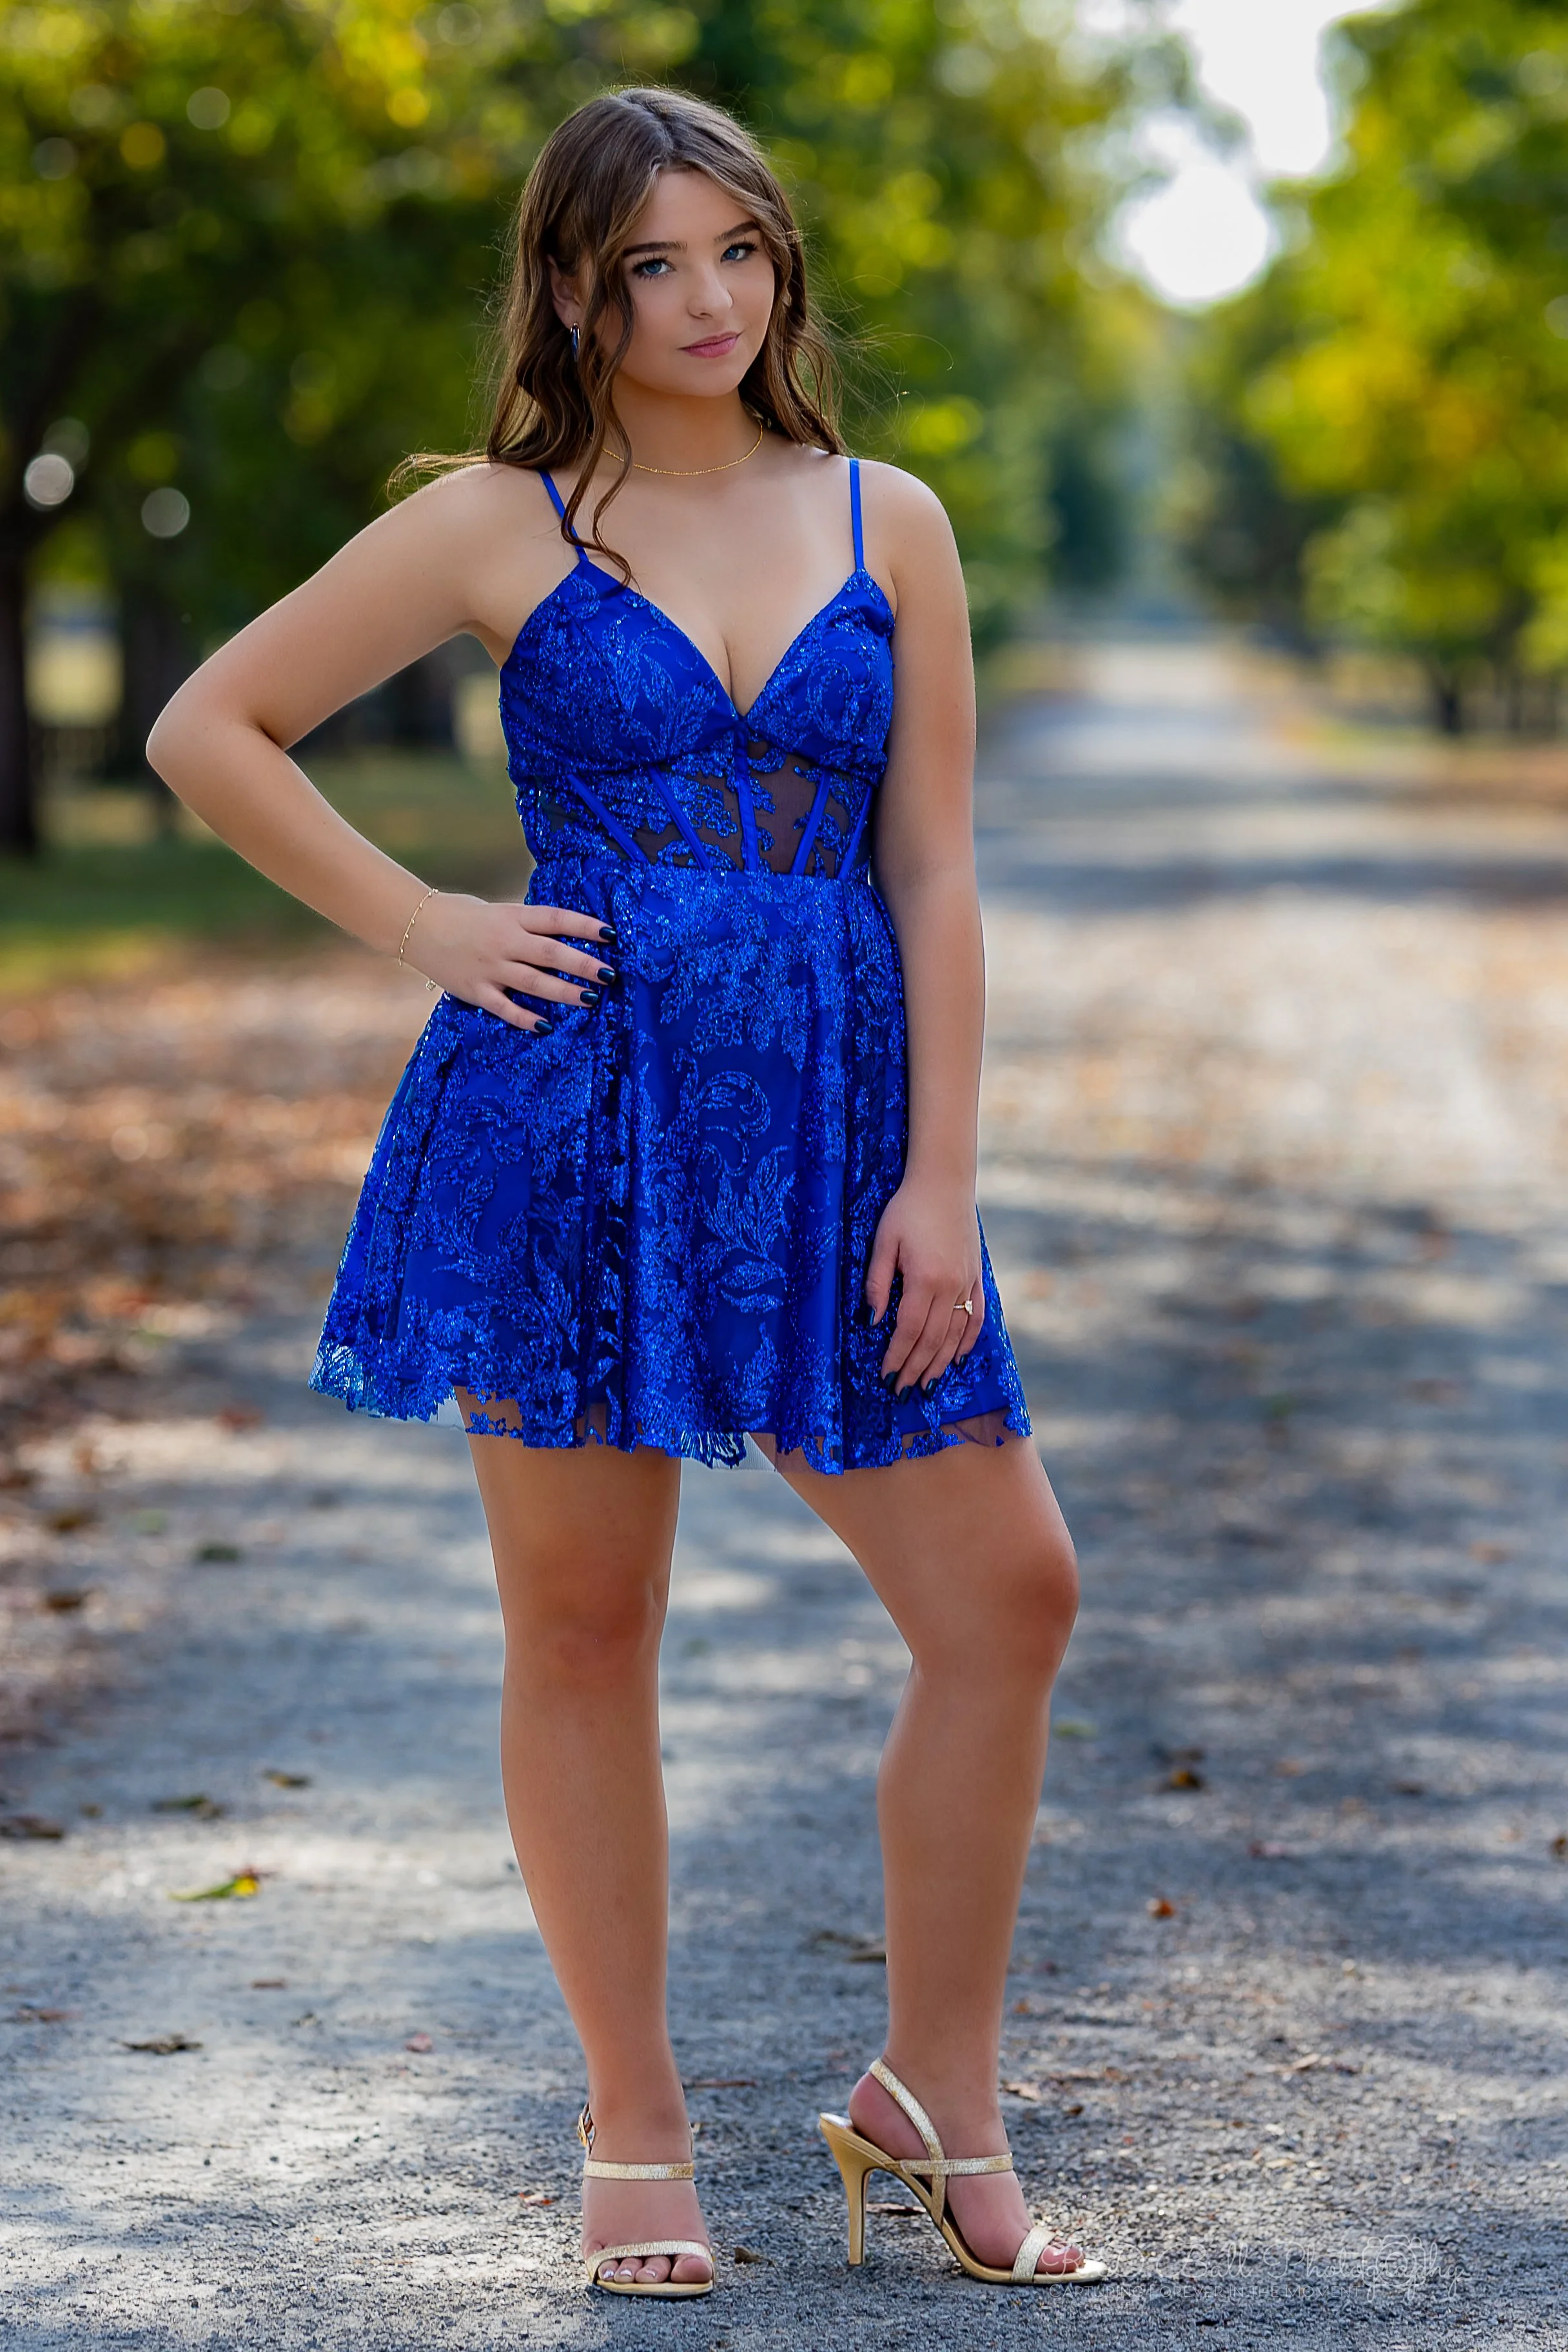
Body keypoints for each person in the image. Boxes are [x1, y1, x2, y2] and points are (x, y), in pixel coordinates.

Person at [148, 84, 1103, 2302]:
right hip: (568, 1121)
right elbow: (214, 724)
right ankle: (632, 2123)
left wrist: (943, 1176)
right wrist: (427, 928)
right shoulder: (503, 521)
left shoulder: (894, 515)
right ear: (571, 287)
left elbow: (938, 869)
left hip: (841, 1127)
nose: (706, 300)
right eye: (651, 263)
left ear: (781, 270)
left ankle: (935, 2092)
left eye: (740, 253)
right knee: (585, 1630)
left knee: (1010, 1597)